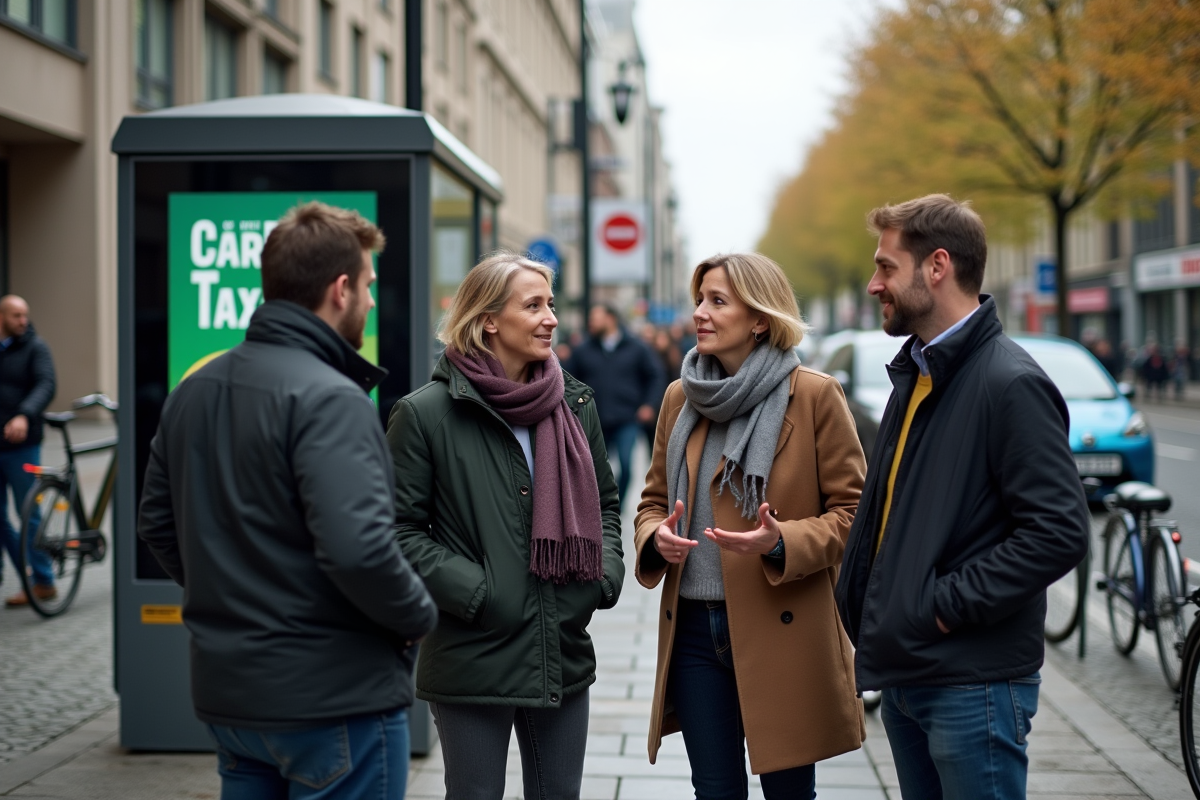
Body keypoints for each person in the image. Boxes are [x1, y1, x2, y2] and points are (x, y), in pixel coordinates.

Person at [138, 202, 438, 800]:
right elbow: (358, 551)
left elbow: (157, 524)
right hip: (334, 699)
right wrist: (418, 618)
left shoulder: (195, 388)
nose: (373, 302)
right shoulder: (332, 397)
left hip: (232, 699)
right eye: (370, 287)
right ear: (341, 288)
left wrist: (234, 598)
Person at [835, 195, 1090, 800]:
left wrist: (942, 606)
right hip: (910, 672)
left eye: (886, 267)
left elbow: (1059, 533)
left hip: (970, 683)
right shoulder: (920, 373)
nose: (874, 285)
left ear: (937, 266)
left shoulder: (1010, 382)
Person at [388, 253, 625, 800]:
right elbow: (396, 532)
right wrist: (478, 592)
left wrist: (603, 576)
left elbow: (606, 506)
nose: (551, 319)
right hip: (474, 652)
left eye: (551, 304)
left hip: (560, 644)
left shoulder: (575, 403)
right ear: (489, 319)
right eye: (534, 305)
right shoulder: (426, 414)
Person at [635, 253, 867, 799]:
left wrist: (782, 541)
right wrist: (656, 538)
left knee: (789, 793)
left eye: (718, 301)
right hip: (694, 631)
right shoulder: (680, 396)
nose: (700, 313)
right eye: (700, 300)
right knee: (714, 791)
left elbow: (855, 514)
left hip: (781, 625)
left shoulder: (813, 395)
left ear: (760, 318)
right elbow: (649, 502)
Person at [564, 304, 663, 509]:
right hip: (594, 420)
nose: (591, 323)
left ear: (610, 319)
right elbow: (566, 380)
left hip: (627, 418)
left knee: (626, 466)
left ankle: (617, 505)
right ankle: (599, 505)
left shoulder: (637, 347)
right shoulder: (583, 350)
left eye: (595, 318)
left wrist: (649, 405)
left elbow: (655, 376)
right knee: (593, 469)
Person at [0, 295, 57, 608]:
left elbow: (46, 384)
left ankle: (44, 581)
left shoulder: (36, 347)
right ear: (1, 317)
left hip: (22, 445)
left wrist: (24, 414)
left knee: (28, 514)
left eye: (25, 315)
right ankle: (26, 578)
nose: (23, 321)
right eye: (16, 315)